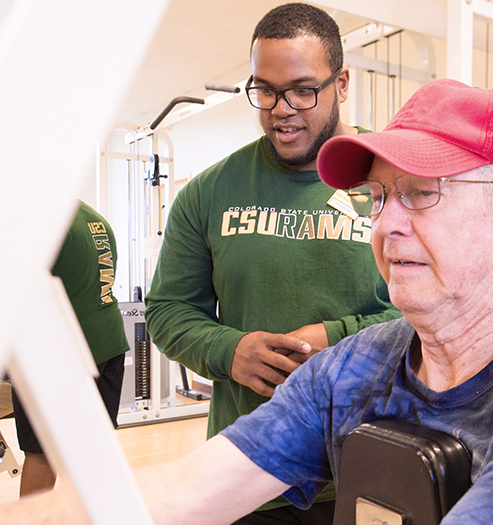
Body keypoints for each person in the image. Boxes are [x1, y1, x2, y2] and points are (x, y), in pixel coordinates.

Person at [0, 79, 493, 525]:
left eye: (423, 193)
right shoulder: (356, 368)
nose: (386, 224)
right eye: (379, 196)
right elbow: (181, 492)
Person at [143, 3, 399, 522]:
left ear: (342, 83)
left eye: (303, 89)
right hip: (250, 470)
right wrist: (231, 349)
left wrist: (339, 337)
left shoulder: (395, 180)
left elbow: (438, 313)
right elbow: (168, 311)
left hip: (373, 468)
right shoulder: (210, 192)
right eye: (265, 90)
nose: (282, 108)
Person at [10, 200, 129, 496]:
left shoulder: (41, 219)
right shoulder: (92, 217)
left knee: (42, 454)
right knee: (95, 450)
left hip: (62, 347)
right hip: (108, 340)